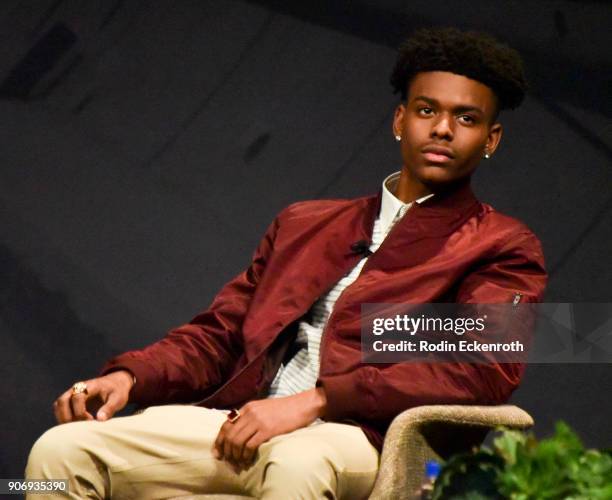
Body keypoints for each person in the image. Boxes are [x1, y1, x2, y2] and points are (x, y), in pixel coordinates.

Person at [25, 27, 547, 499]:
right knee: (60, 453)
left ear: (490, 140)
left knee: (296, 466)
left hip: (362, 440)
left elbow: (481, 367)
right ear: (399, 120)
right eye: (427, 110)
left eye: (467, 118)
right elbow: (222, 334)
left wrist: (317, 401)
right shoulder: (306, 222)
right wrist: (130, 378)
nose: (442, 129)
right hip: (241, 418)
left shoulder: (501, 245)